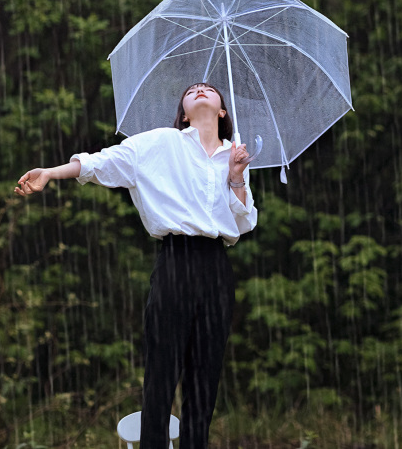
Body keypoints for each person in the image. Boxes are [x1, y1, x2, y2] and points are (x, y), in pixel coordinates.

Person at [15, 82, 258, 449]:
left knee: (205, 379)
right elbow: (103, 162)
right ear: (184, 113)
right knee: (161, 375)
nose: (201, 89)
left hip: (217, 269)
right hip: (175, 263)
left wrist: (237, 177)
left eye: (209, 88)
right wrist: (51, 172)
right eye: (192, 90)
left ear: (222, 111)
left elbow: (242, 224)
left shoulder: (234, 155)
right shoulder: (161, 143)